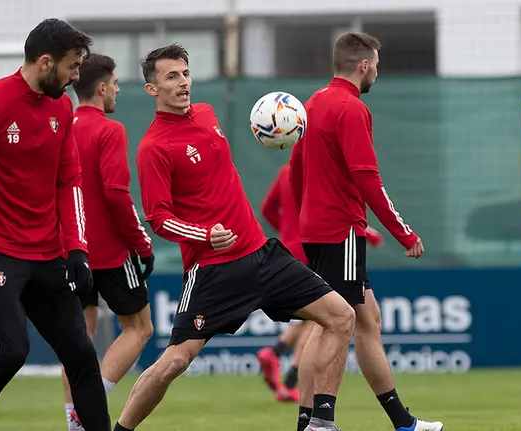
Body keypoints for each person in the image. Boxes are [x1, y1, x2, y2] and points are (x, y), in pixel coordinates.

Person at [112, 43, 356, 431]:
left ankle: (319, 424)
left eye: (186, 74)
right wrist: (205, 234)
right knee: (176, 360)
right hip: (214, 271)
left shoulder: (207, 114)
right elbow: (158, 219)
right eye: (171, 77)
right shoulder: (153, 147)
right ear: (152, 89)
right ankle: (122, 428)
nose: (183, 83)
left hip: (263, 255)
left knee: (341, 316)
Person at [0, 19, 111, 431]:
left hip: (49, 256)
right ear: (45, 61)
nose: (76, 77)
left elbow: (69, 182)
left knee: (83, 357)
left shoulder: (61, 107)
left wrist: (78, 250)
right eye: (71, 67)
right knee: (12, 351)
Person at [289, 32, 445, 431]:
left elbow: (296, 172)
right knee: (335, 323)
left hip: (318, 229)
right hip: (339, 231)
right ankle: (319, 420)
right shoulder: (351, 108)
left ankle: (402, 423)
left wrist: (304, 216)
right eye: (375, 64)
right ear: (363, 65)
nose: (376, 70)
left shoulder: (313, 103)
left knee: (366, 320)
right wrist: (404, 233)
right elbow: (367, 178)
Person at [60, 53, 157, 431]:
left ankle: (74, 422)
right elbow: (117, 194)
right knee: (140, 328)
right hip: (110, 252)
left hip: (69, 250)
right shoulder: (109, 130)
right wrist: (142, 244)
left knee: (77, 340)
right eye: (115, 83)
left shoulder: (62, 127)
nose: (117, 88)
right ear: (101, 89)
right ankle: (90, 407)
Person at [256, 164, 385, 403]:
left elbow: (267, 209)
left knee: (311, 318)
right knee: (323, 317)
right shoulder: (321, 171)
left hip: (289, 249)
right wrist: (372, 234)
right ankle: (285, 368)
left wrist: (287, 230)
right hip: (315, 248)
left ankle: (279, 359)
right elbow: (335, 210)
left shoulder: (286, 171)